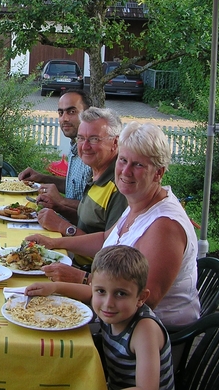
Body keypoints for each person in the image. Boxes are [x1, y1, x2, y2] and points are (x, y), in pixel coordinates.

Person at [27, 122, 200, 327]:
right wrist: (52, 243)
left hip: (148, 334)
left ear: (158, 173)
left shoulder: (165, 226)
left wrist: (84, 279)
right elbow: (105, 240)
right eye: (123, 160)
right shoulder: (139, 200)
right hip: (114, 313)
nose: (126, 171)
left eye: (138, 165)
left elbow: (144, 300)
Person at [35, 108, 127, 260]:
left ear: (115, 142)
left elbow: (112, 253)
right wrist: (59, 208)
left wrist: (62, 227)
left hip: (90, 273)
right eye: (81, 138)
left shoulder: (120, 186)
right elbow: (89, 223)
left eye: (94, 139)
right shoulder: (96, 173)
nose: (84, 146)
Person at [92, 245, 174, 390]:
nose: (108, 303)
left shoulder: (144, 330)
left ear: (141, 298)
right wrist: (54, 287)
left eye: (121, 294)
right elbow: (86, 293)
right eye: (101, 291)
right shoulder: (111, 312)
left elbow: (146, 388)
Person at [18, 90, 92, 222]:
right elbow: (74, 186)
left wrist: (61, 201)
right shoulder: (74, 146)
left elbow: (95, 209)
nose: (65, 118)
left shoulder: (92, 154)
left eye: (72, 112)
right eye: (61, 113)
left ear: (88, 114)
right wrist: (41, 178)